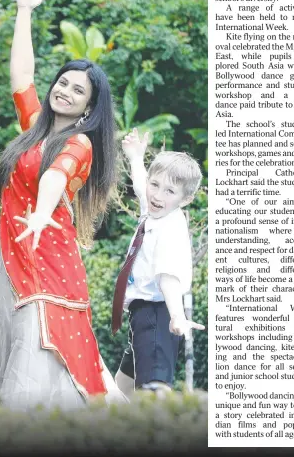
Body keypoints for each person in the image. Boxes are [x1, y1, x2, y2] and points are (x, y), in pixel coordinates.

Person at [0, 0, 124, 410]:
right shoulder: (34, 131)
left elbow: (56, 176)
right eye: (64, 82)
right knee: (13, 335)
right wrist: (23, 12)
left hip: (48, 256)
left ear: (90, 107)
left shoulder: (79, 144)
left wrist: (41, 213)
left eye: (79, 90)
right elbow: (21, 73)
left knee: (37, 343)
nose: (65, 91)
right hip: (17, 249)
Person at [114, 128, 204, 397]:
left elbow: (168, 277)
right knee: (125, 383)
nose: (157, 195)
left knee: (153, 388)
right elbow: (143, 186)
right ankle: (112, 420)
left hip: (158, 313)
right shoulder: (156, 212)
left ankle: (156, 433)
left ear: (185, 199)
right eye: (156, 185)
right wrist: (135, 157)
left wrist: (177, 315)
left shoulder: (169, 229)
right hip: (143, 313)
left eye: (169, 191)